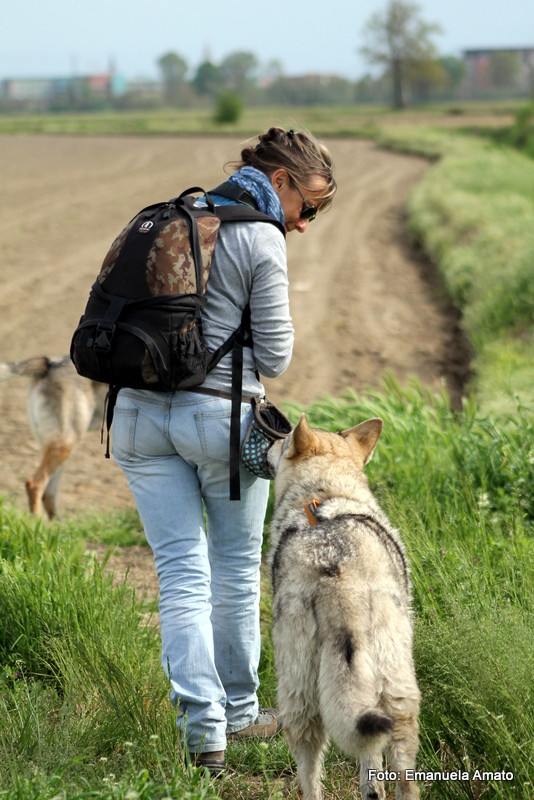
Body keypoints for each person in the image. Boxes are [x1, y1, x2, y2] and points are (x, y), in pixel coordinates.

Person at [111, 127, 336, 774]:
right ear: (283, 181)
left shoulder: (173, 215)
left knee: (180, 571)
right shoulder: (259, 234)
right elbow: (275, 356)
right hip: (219, 420)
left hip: (136, 416)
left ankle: (202, 732)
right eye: (310, 206)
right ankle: (238, 713)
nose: (305, 223)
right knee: (234, 569)